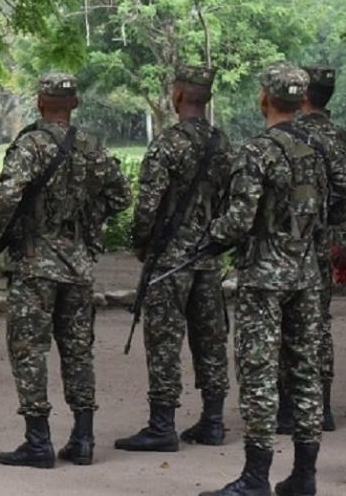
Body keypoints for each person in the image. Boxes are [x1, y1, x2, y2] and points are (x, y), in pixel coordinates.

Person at [199, 64, 346, 496]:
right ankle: (304, 475)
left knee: (259, 371)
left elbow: (238, 221)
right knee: (305, 371)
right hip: (308, 276)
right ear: (300, 100)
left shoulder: (257, 151)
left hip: (264, 276)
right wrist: (325, 232)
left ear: (265, 99)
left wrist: (208, 243)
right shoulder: (322, 146)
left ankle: (256, 476)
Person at [0, 73, 130, 469]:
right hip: (79, 264)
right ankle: (83, 440)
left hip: (35, 264)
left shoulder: (30, 145)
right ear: (75, 104)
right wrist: (87, 220)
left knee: (29, 350)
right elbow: (121, 195)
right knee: (78, 352)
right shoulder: (92, 147)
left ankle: (38, 442)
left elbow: (9, 195)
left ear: (38, 102)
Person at [115, 64, 233, 452]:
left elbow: (147, 206)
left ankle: (162, 425)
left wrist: (142, 243)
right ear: (208, 98)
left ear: (178, 95)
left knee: (165, 342)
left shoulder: (167, 144)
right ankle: (213, 421)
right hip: (207, 258)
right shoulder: (223, 144)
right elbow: (234, 201)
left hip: (170, 261)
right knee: (211, 340)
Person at [276, 66, 346, 434]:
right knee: (318, 324)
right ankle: (322, 406)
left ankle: (287, 409)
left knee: (284, 324)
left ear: (303, 94)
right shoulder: (338, 136)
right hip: (320, 245)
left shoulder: (292, 134)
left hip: (286, 245)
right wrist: (331, 225)